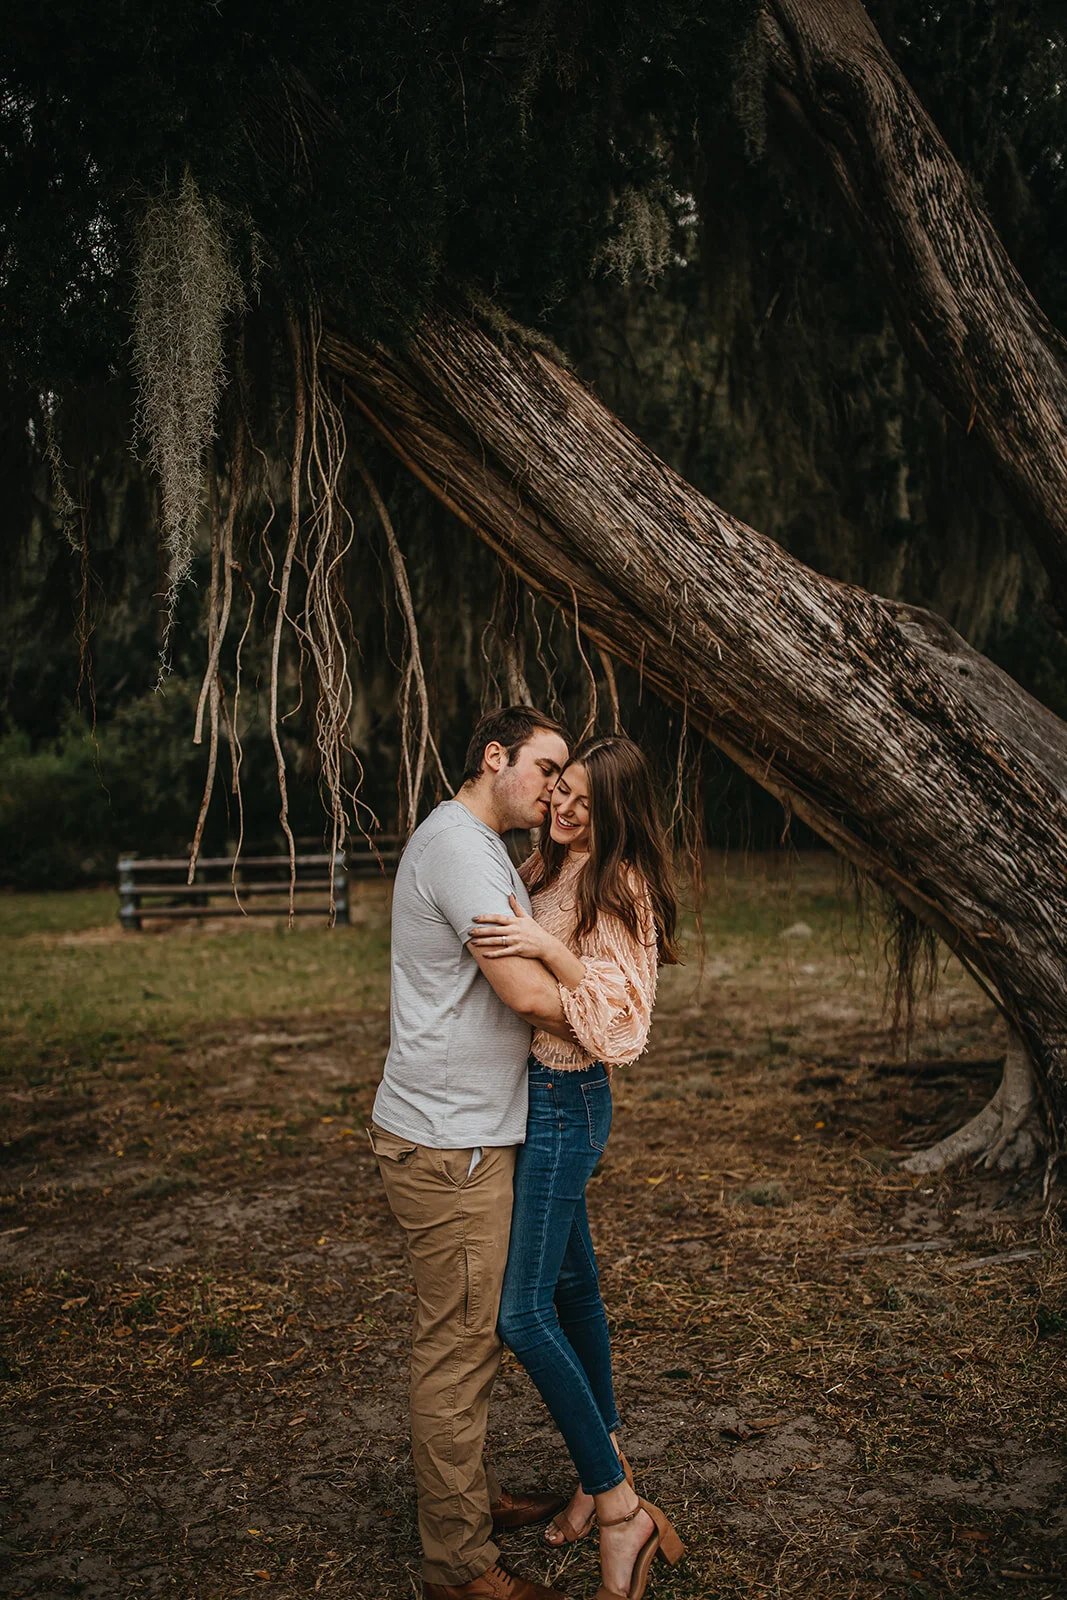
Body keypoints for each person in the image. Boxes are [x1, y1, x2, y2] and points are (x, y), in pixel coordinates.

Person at [368, 705, 579, 1600]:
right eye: (544, 766)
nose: (556, 787)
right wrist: (619, 1007)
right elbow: (527, 993)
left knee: (471, 1338)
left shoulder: (481, 843)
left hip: (463, 1131)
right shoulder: (458, 847)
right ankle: (457, 1569)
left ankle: (462, 1498)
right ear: (493, 756)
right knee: (456, 1347)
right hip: (449, 1142)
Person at [468, 735, 686, 1600]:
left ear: (616, 811)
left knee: (521, 1316)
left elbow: (621, 1019)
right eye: (562, 788)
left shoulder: (620, 881)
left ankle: (617, 1505)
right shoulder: (547, 865)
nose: (564, 807)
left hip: (568, 1103)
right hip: (535, 1104)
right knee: (572, 1296)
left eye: (585, 801)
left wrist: (546, 948)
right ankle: (603, 1467)